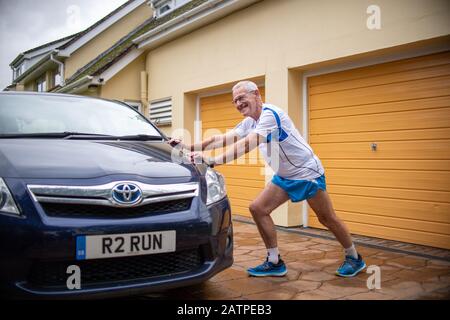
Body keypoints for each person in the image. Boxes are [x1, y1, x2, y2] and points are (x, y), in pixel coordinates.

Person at [169, 80, 366, 278]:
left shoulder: (270, 115)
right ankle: (274, 262)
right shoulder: (250, 122)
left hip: (307, 174)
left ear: (256, 94)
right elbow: (219, 139)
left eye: (241, 98)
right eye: (235, 101)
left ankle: (354, 257)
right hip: (285, 176)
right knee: (258, 208)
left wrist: (212, 161)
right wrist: (186, 147)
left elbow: (248, 144)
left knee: (326, 218)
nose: (238, 104)